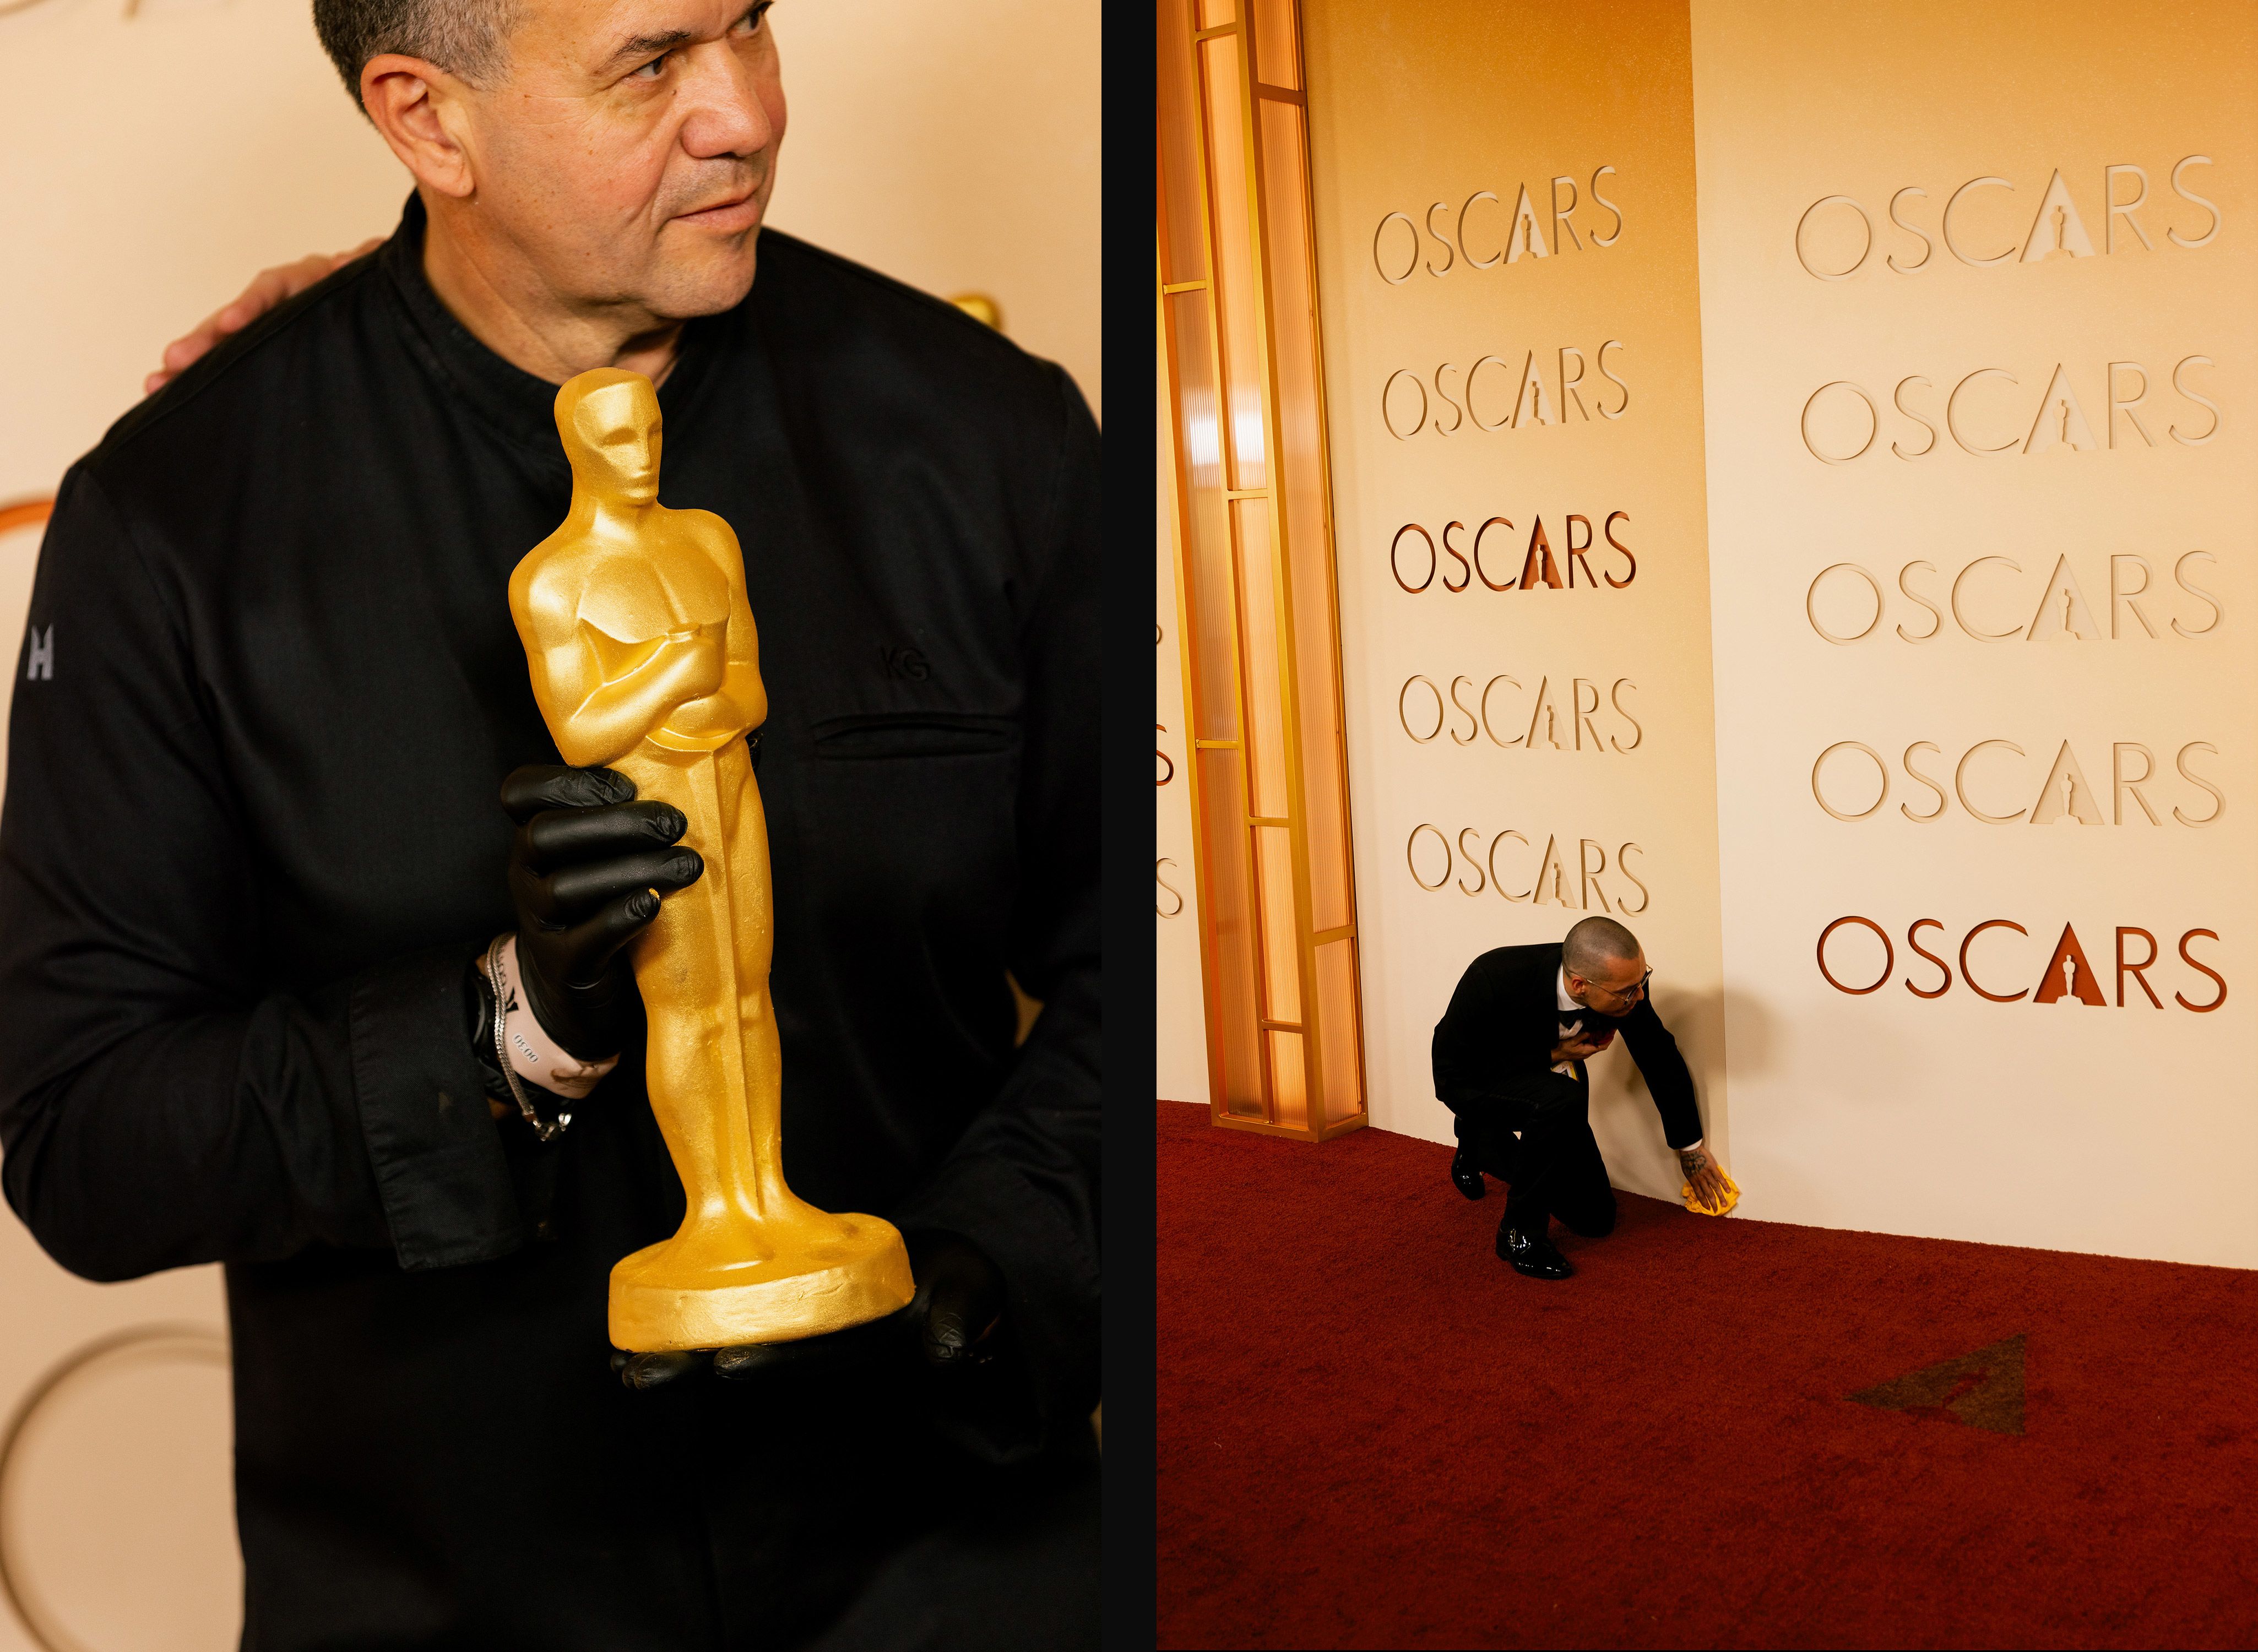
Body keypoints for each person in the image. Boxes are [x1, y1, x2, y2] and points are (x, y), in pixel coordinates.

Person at [0, 0, 1097, 1646]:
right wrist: (504, 1030)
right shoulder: (177, 519)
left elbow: (1127, 958)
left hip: (956, 1564)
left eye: (751, 22)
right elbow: (84, 1140)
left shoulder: (982, 430)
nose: (744, 112)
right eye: (650, 63)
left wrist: (1000, 1258)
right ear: (427, 119)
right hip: (447, 1586)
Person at [1431, 917, 1724, 1280]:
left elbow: (1657, 1053)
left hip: (1556, 1089)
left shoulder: (1622, 984)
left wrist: (1690, 1148)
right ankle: (1519, 1233)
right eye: (1629, 991)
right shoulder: (1492, 976)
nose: (1639, 997)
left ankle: (1482, 1146)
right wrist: (1549, 1055)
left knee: (1595, 1220)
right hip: (1479, 1081)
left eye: (1642, 982)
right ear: (1579, 985)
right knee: (1560, 1099)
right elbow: (1450, 1073)